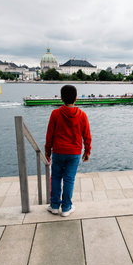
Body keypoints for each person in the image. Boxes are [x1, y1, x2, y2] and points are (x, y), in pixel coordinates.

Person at [45, 85, 91, 217]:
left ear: (61, 98)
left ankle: (54, 206)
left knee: (55, 177)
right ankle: (66, 208)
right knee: (69, 179)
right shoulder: (82, 115)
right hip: (74, 152)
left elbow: (49, 135)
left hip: (58, 151)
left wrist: (47, 150)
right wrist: (87, 151)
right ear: (76, 98)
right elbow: (87, 135)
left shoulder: (55, 114)